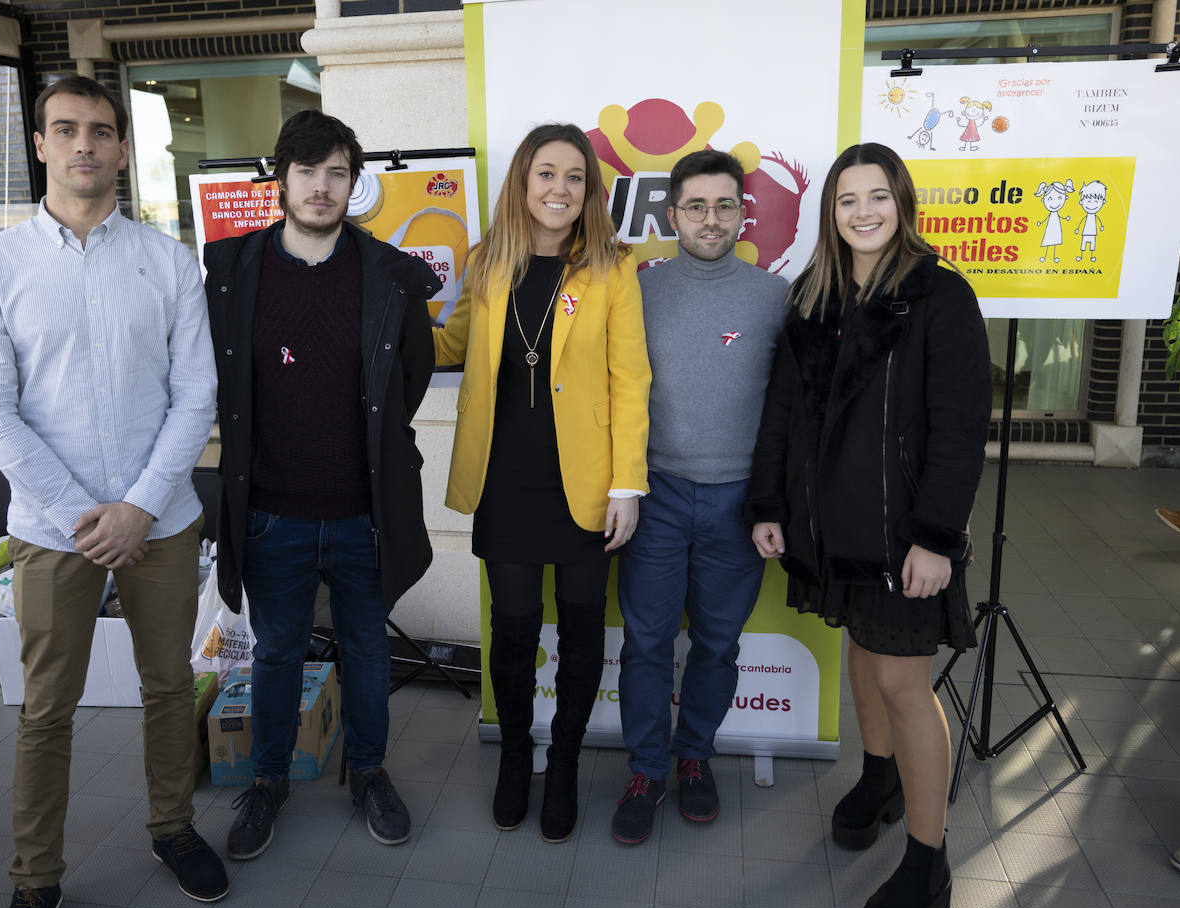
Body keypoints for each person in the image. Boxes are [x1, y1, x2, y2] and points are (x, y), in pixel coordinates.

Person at [0, 75, 226, 908]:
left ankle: (174, 826)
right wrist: (86, 513)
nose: (85, 145)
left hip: (163, 520)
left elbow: (197, 396)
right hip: (50, 528)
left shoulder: (167, 260)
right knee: (45, 708)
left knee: (169, 688)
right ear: (39, 144)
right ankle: (35, 876)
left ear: (121, 148)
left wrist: (140, 505)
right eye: (66, 129)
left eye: (102, 131)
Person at [743, 142, 991, 908]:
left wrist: (936, 535)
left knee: (903, 681)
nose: (863, 212)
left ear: (902, 202)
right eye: (848, 199)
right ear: (831, 211)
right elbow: (782, 413)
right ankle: (879, 776)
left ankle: (929, 859)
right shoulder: (814, 298)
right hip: (830, 527)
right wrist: (769, 505)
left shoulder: (940, 296)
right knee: (860, 650)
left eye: (877, 196)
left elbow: (958, 427)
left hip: (903, 534)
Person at [203, 110, 439, 858]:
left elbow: (410, 379)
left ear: (353, 182)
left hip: (365, 513)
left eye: (337, 172)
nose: (320, 186)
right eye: (306, 171)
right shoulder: (229, 269)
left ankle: (367, 770)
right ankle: (269, 778)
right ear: (281, 178)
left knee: (368, 647)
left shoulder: (391, 276)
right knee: (275, 651)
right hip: (271, 512)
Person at [434, 123, 651, 843]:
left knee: (584, 623)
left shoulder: (613, 267)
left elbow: (630, 381)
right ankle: (516, 756)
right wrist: (384, 298)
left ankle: (562, 762)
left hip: (586, 481)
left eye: (574, 178)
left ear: (589, 191)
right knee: (516, 626)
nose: (559, 189)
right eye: (545, 174)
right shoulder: (487, 260)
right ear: (522, 183)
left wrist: (628, 484)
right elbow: (450, 343)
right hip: (504, 477)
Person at [611, 150, 788, 845]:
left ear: (743, 213)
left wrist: (775, 501)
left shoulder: (774, 296)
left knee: (717, 643)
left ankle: (693, 757)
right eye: (695, 206)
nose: (710, 219)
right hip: (654, 494)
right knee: (647, 644)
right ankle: (647, 769)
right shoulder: (638, 289)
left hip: (738, 501)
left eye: (724, 206)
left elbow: (788, 410)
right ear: (670, 213)